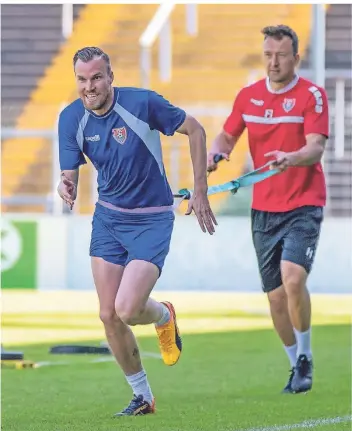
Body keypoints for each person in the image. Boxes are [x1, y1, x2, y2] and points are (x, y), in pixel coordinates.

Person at [57, 46, 217, 416]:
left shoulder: (143, 103)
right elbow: (69, 175)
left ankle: (162, 316)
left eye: (97, 78)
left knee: (127, 308)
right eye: (82, 79)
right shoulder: (70, 118)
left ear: (111, 77)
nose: (89, 86)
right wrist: (66, 185)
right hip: (109, 219)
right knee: (108, 314)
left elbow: (195, 129)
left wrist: (201, 190)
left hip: (152, 218)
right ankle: (143, 397)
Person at [208, 25, 329, 394]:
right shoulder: (248, 96)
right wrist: (217, 153)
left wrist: (289, 159)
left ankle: (306, 355)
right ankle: (296, 367)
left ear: (296, 57)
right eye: (268, 54)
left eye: (280, 55)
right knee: (275, 296)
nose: (273, 62)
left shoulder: (312, 96)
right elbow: (228, 134)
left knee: (293, 277)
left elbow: (315, 148)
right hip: (264, 208)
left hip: (304, 202)